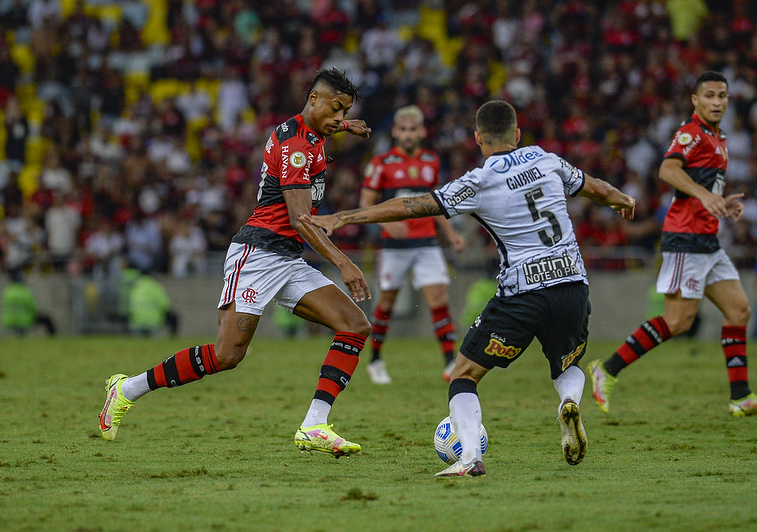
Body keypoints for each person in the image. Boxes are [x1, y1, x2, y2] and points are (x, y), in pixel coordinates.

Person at [302, 100, 635, 476]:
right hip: (573, 284)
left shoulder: (480, 180)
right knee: (567, 364)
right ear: (518, 135)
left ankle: (469, 458)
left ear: (478, 138)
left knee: (463, 374)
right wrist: (622, 198)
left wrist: (344, 216)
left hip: (523, 293)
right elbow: (598, 189)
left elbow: (413, 205)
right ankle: (569, 403)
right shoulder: (549, 160)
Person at [98, 68, 374, 458]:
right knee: (227, 355)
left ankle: (314, 424)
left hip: (289, 258)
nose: (337, 117)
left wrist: (343, 124)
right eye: (334, 108)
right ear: (313, 99)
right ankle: (127, 389)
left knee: (355, 325)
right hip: (258, 255)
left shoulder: (312, 132)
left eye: (343, 111)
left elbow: (320, 125)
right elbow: (300, 219)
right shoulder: (296, 145)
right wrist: (344, 263)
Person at [587, 71, 755, 417]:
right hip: (684, 241)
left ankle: (741, 396)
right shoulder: (691, 134)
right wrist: (705, 194)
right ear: (695, 100)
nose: (717, 101)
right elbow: (667, 170)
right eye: (709, 95)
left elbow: (699, 188)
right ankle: (607, 370)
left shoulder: (718, 138)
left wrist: (721, 203)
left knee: (739, 310)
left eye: (722, 96)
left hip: (707, 241)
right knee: (677, 322)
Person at [360, 105, 465, 384]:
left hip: (426, 243)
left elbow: (435, 204)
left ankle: (449, 362)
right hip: (394, 247)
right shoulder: (381, 163)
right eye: (403, 129)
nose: (408, 135)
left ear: (422, 132)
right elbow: (365, 205)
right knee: (386, 304)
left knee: (439, 300)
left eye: (413, 129)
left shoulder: (431, 161)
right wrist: (385, 222)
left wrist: (451, 233)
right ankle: (375, 360)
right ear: (395, 131)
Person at [0, 269, 56, 336]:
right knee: (46, 319)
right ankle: (52, 337)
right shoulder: (25, 291)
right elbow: (34, 309)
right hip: (23, 321)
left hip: (8, 321)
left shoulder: (7, 291)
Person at [128, 269, 179, 337]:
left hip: (136, 321)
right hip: (152, 321)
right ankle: (172, 338)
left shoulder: (136, 286)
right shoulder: (155, 286)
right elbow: (165, 305)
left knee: (138, 345)